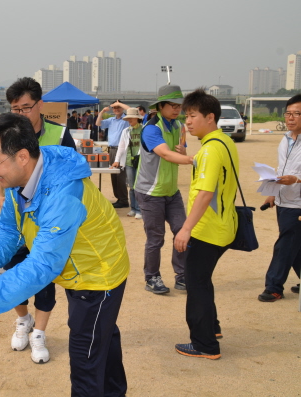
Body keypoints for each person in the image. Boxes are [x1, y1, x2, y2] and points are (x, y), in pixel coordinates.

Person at [0, 113, 130, 396]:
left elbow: (42, 265)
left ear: (22, 156)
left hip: (97, 276)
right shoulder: (21, 180)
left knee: (85, 360)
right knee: (103, 341)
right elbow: (9, 230)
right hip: (78, 267)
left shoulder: (61, 195)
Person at [0, 77, 76, 364]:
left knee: (45, 279)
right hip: (18, 227)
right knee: (14, 274)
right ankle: (23, 320)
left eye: (26, 107)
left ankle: (39, 333)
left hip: (47, 226)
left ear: (40, 105)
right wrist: (5, 204)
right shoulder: (6, 136)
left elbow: (72, 179)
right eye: (16, 109)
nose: (21, 114)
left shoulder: (60, 134)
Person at [173, 89, 239, 360]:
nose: (187, 122)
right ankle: (212, 328)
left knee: (196, 284)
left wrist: (186, 228)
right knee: (203, 280)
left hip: (207, 231)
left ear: (210, 117)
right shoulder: (223, 142)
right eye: (186, 116)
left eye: (192, 115)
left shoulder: (211, 150)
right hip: (223, 226)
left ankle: (205, 344)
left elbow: (205, 193)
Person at [134, 84, 193, 294]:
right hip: (150, 192)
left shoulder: (177, 126)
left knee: (183, 231)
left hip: (171, 191)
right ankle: (152, 277)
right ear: (160, 106)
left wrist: (184, 150)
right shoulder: (151, 128)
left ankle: (182, 275)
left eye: (179, 105)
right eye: (172, 105)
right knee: (156, 238)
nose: (177, 109)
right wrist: (192, 160)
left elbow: (177, 150)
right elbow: (166, 154)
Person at [257, 94, 301, 302]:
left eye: (297, 114)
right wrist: (272, 193)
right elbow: (281, 169)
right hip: (284, 201)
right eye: (288, 113)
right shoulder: (285, 140)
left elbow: (293, 175)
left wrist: (297, 180)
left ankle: (274, 287)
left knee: (285, 244)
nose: (291, 118)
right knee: (294, 244)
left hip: (298, 204)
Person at [96, 101, 130, 208]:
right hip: (112, 149)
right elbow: (98, 123)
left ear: (122, 108)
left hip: (122, 149)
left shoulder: (126, 119)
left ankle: (123, 199)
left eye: (118, 107)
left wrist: (119, 103)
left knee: (120, 175)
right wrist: (102, 112)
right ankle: (119, 198)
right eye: (114, 108)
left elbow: (131, 110)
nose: (116, 109)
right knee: (114, 175)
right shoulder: (111, 120)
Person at [112, 108, 143, 219]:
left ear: (137, 118)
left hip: (141, 162)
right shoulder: (126, 131)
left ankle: (140, 210)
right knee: (132, 186)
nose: (129, 120)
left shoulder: (144, 130)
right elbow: (121, 147)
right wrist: (117, 160)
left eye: (131, 118)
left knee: (139, 186)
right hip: (129, 162)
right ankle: (133, 209)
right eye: (128, 118)